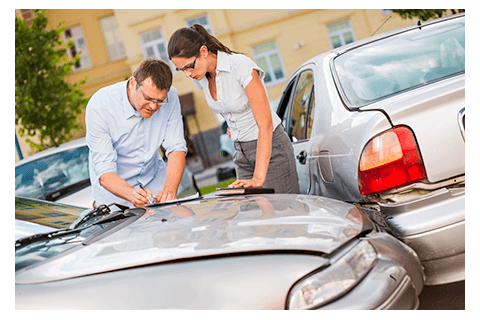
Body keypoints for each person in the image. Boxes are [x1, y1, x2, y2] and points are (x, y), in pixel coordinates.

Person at [168, 24, 299, 194]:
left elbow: (265, 124)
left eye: (189, 66)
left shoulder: (240, 66)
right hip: (241, 152)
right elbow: (231, 107)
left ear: (203, 51)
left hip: (271, 150)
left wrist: (258, 178)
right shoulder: (200, 78)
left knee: (282, 214)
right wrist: (235, 126)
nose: (187, 74)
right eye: (181, 69)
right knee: (252, 215)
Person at [85, 58, 187, 208]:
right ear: (133, 83)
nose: (153, 106)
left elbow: (176, 147)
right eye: (148, 98)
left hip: (154, 182)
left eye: (160, 101)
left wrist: (169, 192)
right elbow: (105, 172)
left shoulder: (171, 97)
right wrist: (131, 194)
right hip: (116, 195)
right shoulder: (100, 106)